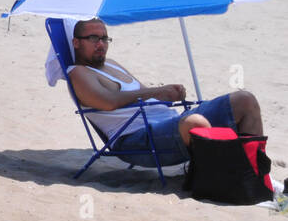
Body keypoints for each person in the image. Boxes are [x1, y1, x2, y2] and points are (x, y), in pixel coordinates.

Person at [67, 18, 264, 167]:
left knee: (245, 100)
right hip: (137, 140)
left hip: (168, 125)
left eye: (104, 38)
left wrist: (167, 93)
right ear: (76, 43)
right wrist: (155, 91)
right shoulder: (79, 73)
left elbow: (145, 93)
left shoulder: (111, 64)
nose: (100, 44)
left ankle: (254, 173)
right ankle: (231, 174)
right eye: (93, 38)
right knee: (194, 123)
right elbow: (108, 102)